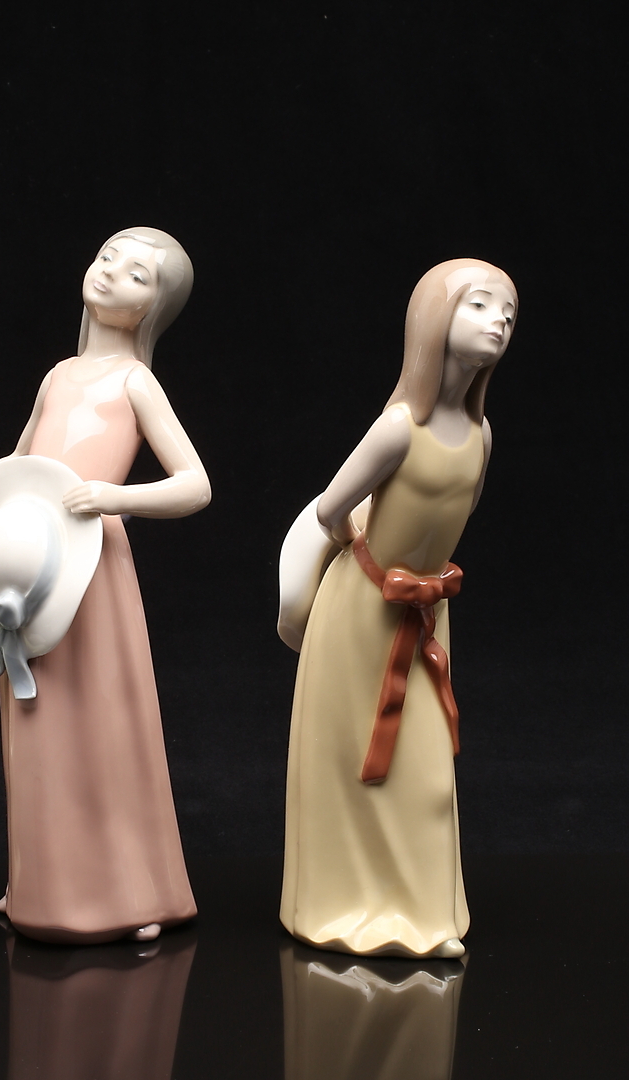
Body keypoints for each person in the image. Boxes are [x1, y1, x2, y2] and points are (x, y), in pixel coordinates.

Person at [0, 228, 210, 943]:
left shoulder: (135, 382)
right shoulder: (59, 376)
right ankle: (41, 886)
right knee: (38, 724)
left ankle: (129, 895)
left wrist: (111, 497)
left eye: (138, 274)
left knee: (102, 728)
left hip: (92, 566)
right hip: (35, 561)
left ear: (152, 307)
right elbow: (21, 459)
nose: (112, 272)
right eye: (108, 256)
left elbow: (194, 485)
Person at [280, 259, 518, 957]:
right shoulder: (396, 430)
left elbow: (454, 521)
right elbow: (331, 510)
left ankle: (424, 916)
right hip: (363, 611)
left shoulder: (480, 437)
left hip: (427, 614)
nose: (499, 323)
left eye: (508, 313)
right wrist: (365, 560)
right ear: (434, 320)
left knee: (426, 773)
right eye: (480, 305)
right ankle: (343, 909)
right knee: (352, 762)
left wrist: (425, 582)